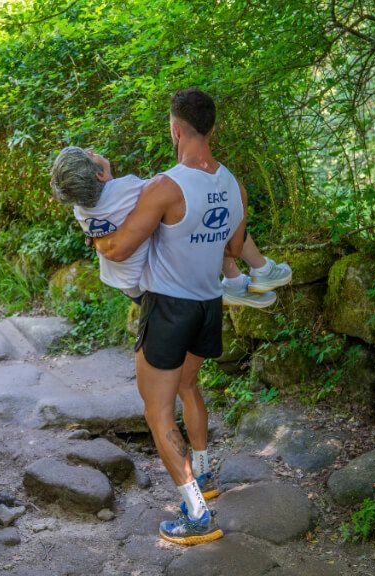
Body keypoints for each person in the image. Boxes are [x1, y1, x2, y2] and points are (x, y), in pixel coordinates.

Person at [92, 88, 249, 545]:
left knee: (158, 413)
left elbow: (120, 246)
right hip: (208, 306)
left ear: (175, 129)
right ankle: (204, 475)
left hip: (168, 309)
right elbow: (235, 250)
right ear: (212, 129)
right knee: (188, 385)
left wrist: (96, 236)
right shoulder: (234, 184)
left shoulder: (167, 187)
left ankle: (197, 516)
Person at [49, 147, 290, 308]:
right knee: (209, 217)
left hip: (129, 287)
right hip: (154, 280)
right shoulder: (128, 188)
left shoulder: (80, 209)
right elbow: (166, 192)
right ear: (99, 175)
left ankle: (235, 282)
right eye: (90, 155)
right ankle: (262, 269)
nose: (94, 151)